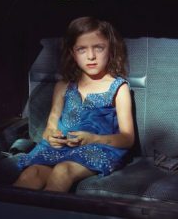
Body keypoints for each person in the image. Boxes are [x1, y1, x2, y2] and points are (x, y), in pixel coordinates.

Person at [13, 16, 134, 192]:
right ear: (72, 52)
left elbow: (127, 139)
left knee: (63, 171)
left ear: (110, 49)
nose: (91, 56)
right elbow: (50, 128)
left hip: (99, 148)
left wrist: (93, 139)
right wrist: (52, 137)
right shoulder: (63, 86)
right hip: (60, 149)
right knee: (31, 174)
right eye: (82, 49)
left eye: (98, 48)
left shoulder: (118, 87)